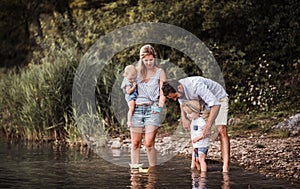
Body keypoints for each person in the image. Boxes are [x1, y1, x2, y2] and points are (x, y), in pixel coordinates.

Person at [162, 77, 230, 172]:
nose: (174, 99)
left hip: (218, 99)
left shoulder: (196, 85)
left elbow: (215, 104)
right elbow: (182, 103)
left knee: (221, 129)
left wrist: (208, 124)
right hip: (203, 102)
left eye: (175, 96)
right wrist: (184, 118)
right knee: (198, 130)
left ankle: (226, 166)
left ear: (180, 88)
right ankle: (196, 162)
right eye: (172, 98)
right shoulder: (179, 90)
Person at [130, 44, 166, 168]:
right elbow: (127, 90)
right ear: (141, 59)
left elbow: (163, 93)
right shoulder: (135, 72)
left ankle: (153, 171)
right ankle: (134, 173)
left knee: (149, 143)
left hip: (152, 109)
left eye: (151, 60)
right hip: (137, 109)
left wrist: (159, 107)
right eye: (146, 60)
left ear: (154, 58)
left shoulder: (160, 72)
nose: (149, 62)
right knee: (135, 143)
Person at [183, 100, 210, 172]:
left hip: (202, 144)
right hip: (196, 145)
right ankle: (199, 172)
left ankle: (203, 174)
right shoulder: (193, 121)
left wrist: (198, 138)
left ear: (196, 112)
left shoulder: (201, 121)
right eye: (187, 113)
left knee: (201, 159)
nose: (188, 115)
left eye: (190, 113)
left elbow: (207, 132)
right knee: (196, 160)